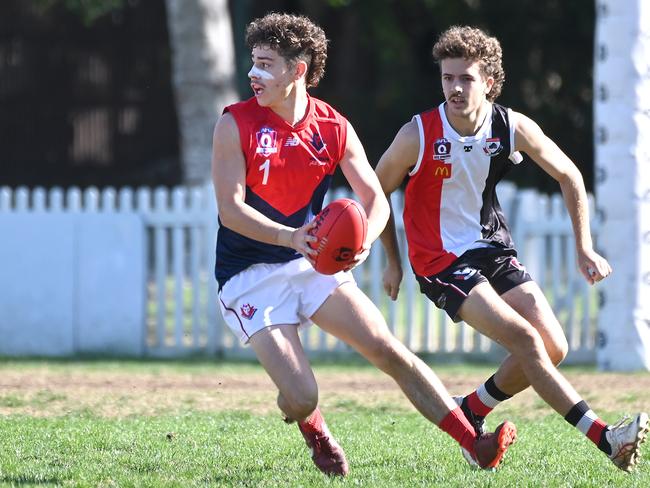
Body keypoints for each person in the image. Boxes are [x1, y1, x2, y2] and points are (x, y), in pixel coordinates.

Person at [212, 13, 517, 477]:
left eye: (265, 65)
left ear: (297, 71)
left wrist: (366, 241)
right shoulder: (234, 124)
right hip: (249, 275)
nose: (253, 74)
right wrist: (290, 236)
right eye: (253, 63)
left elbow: (375, 198)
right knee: (301, 396)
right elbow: (230, 210)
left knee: (388, 349)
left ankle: (474, 444)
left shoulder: (332, 126)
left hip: (312, 263)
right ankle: (311, 424)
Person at [375, 25, 649, 472]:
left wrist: (584, 247)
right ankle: (606, 438)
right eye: (447, 78)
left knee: (552, 346)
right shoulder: (419, 133)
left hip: (492, 248)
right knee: (525, 340)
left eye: (466, 78)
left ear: (489, 81)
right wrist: (392, 261)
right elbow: (376, 189)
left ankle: (471, 411)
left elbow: (569, 175)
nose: (455, 88)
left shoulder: (509, 126)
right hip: (439, 260)